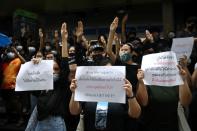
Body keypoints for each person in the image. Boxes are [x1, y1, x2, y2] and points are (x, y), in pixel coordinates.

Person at [69, 58, 141, 131]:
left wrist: (131, 96)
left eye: (110, 72)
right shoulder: (88, 89)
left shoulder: (122, 90)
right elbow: (74, 111)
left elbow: (136, 114)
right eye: (103, 72)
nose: (106, 75)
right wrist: (74, 93)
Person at [25, 22, 70, 131]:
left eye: (56, 69)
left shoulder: (61, 84)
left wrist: (63, 39)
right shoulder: (41, 85)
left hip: (56, 125)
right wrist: (33, 67)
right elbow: (29, 86)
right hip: (39, 124)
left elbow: (64, 64)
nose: (53, 72)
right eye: (51, 69)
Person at [136, 64, 192, 131]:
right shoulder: (147, 77)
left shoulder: (176, 78)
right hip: (150, 122)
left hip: (172, 122)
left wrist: (183, 80)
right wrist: (141, 82)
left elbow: (185, 102)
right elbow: (143, 103)